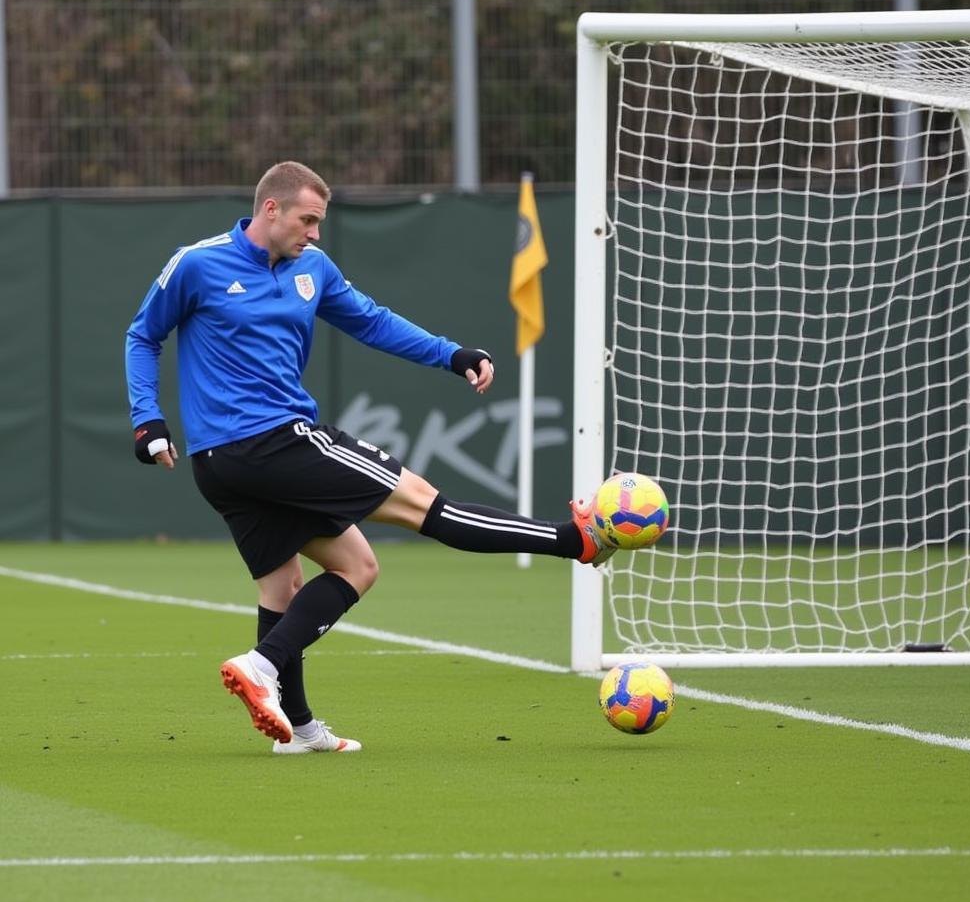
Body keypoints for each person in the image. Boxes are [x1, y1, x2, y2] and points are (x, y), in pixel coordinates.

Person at [126, 160, 614, 755]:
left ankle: (297, 726)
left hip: (226, 466)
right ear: (270, 209)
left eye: (320, 223)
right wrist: (147, 418)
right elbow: (142, 334)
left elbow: (372, 322)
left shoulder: (314, 269)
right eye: (307, 220)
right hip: (274, 441)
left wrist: (450, 354)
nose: (314, 233)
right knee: (428, 507)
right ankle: (574, 540)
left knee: (322, 576)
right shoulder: (198, 262)